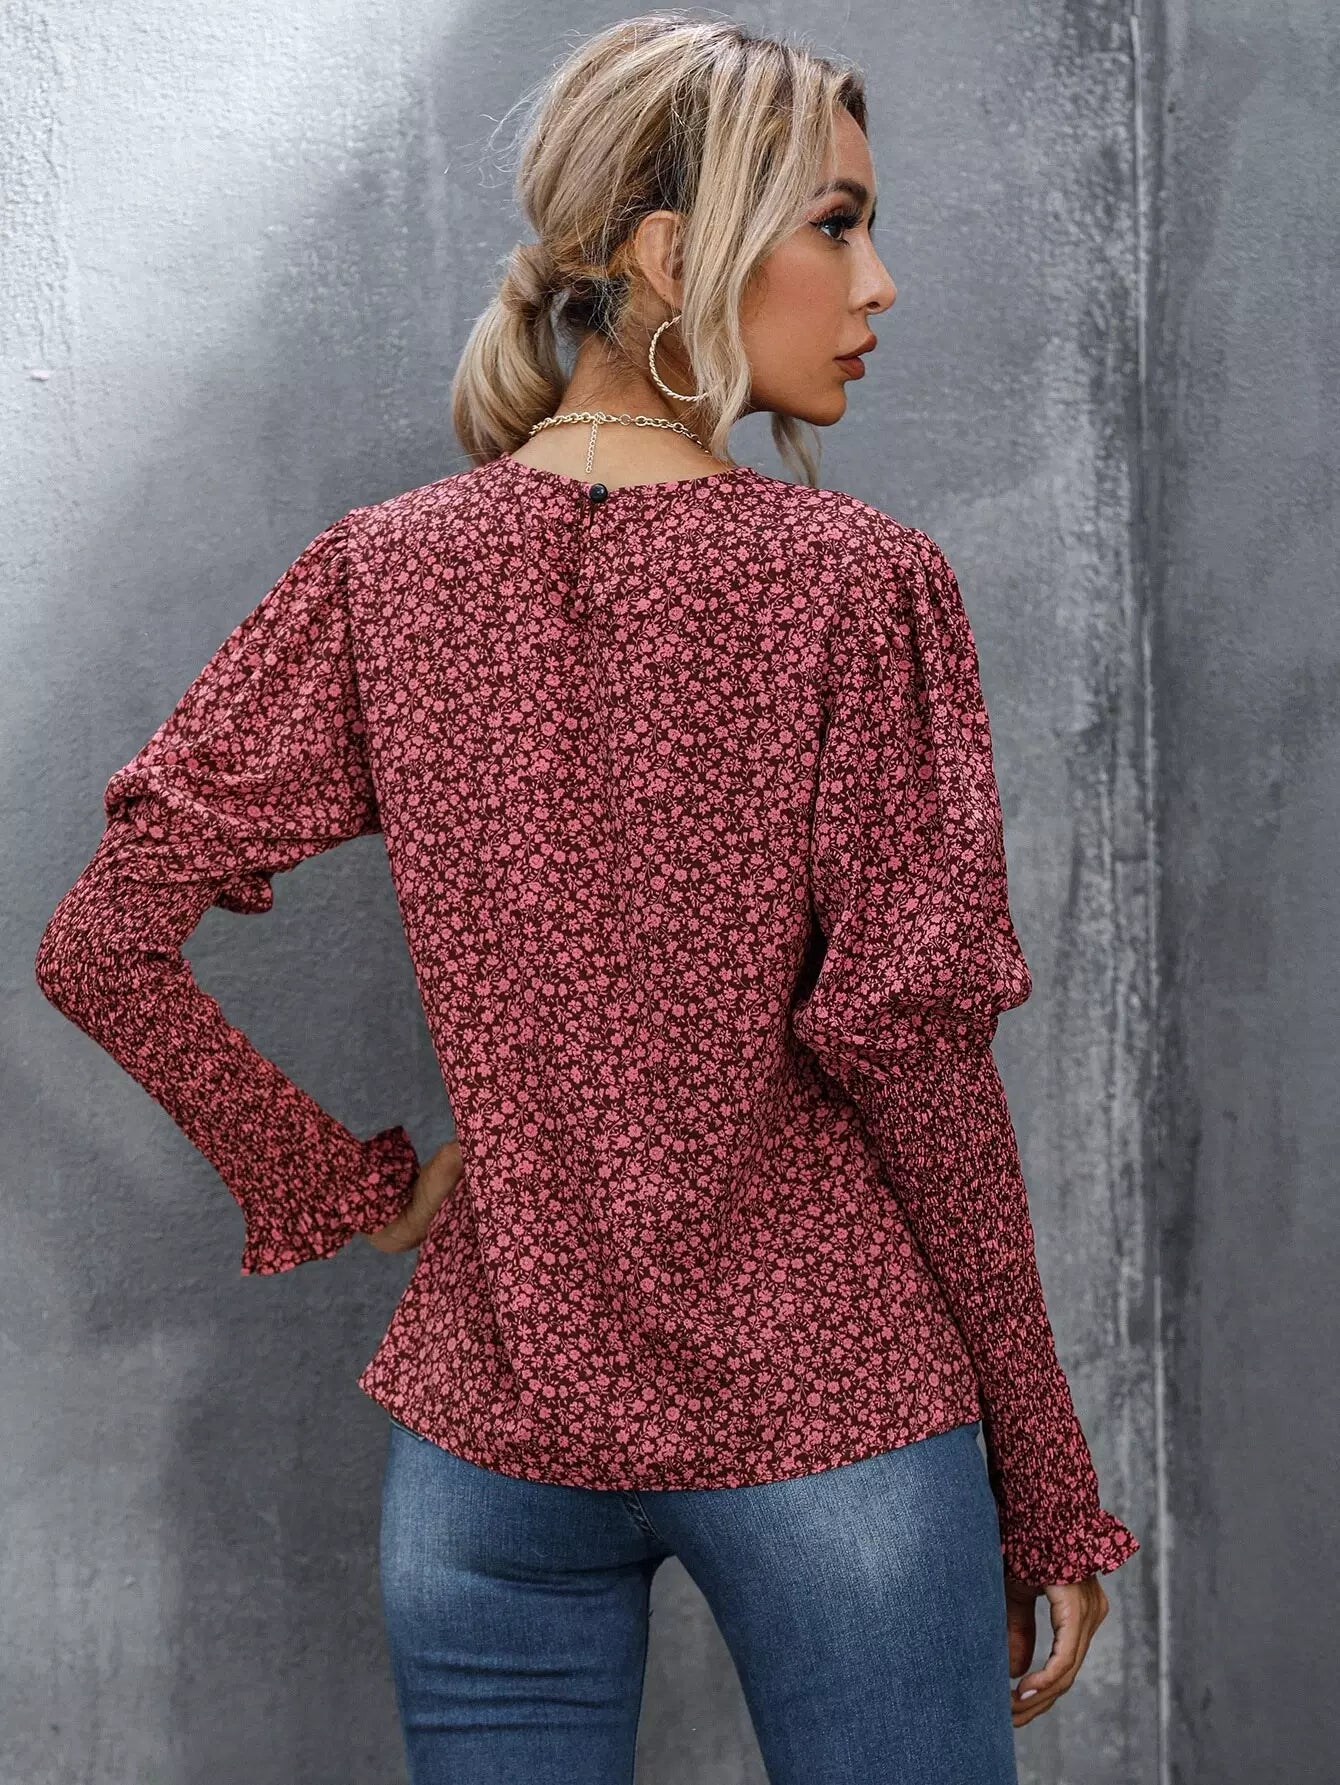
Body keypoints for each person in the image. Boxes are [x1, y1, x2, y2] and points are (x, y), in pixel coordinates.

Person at [33, 13, 1140, 1783]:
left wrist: (349, 1186)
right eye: (838, 222)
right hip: (827, 1406)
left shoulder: (383, 573)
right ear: (673, 256)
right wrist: (1049, 1481)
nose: (882, 281)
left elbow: (98, 945)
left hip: (489, 1432)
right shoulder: (857, 586)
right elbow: (915, 1060)